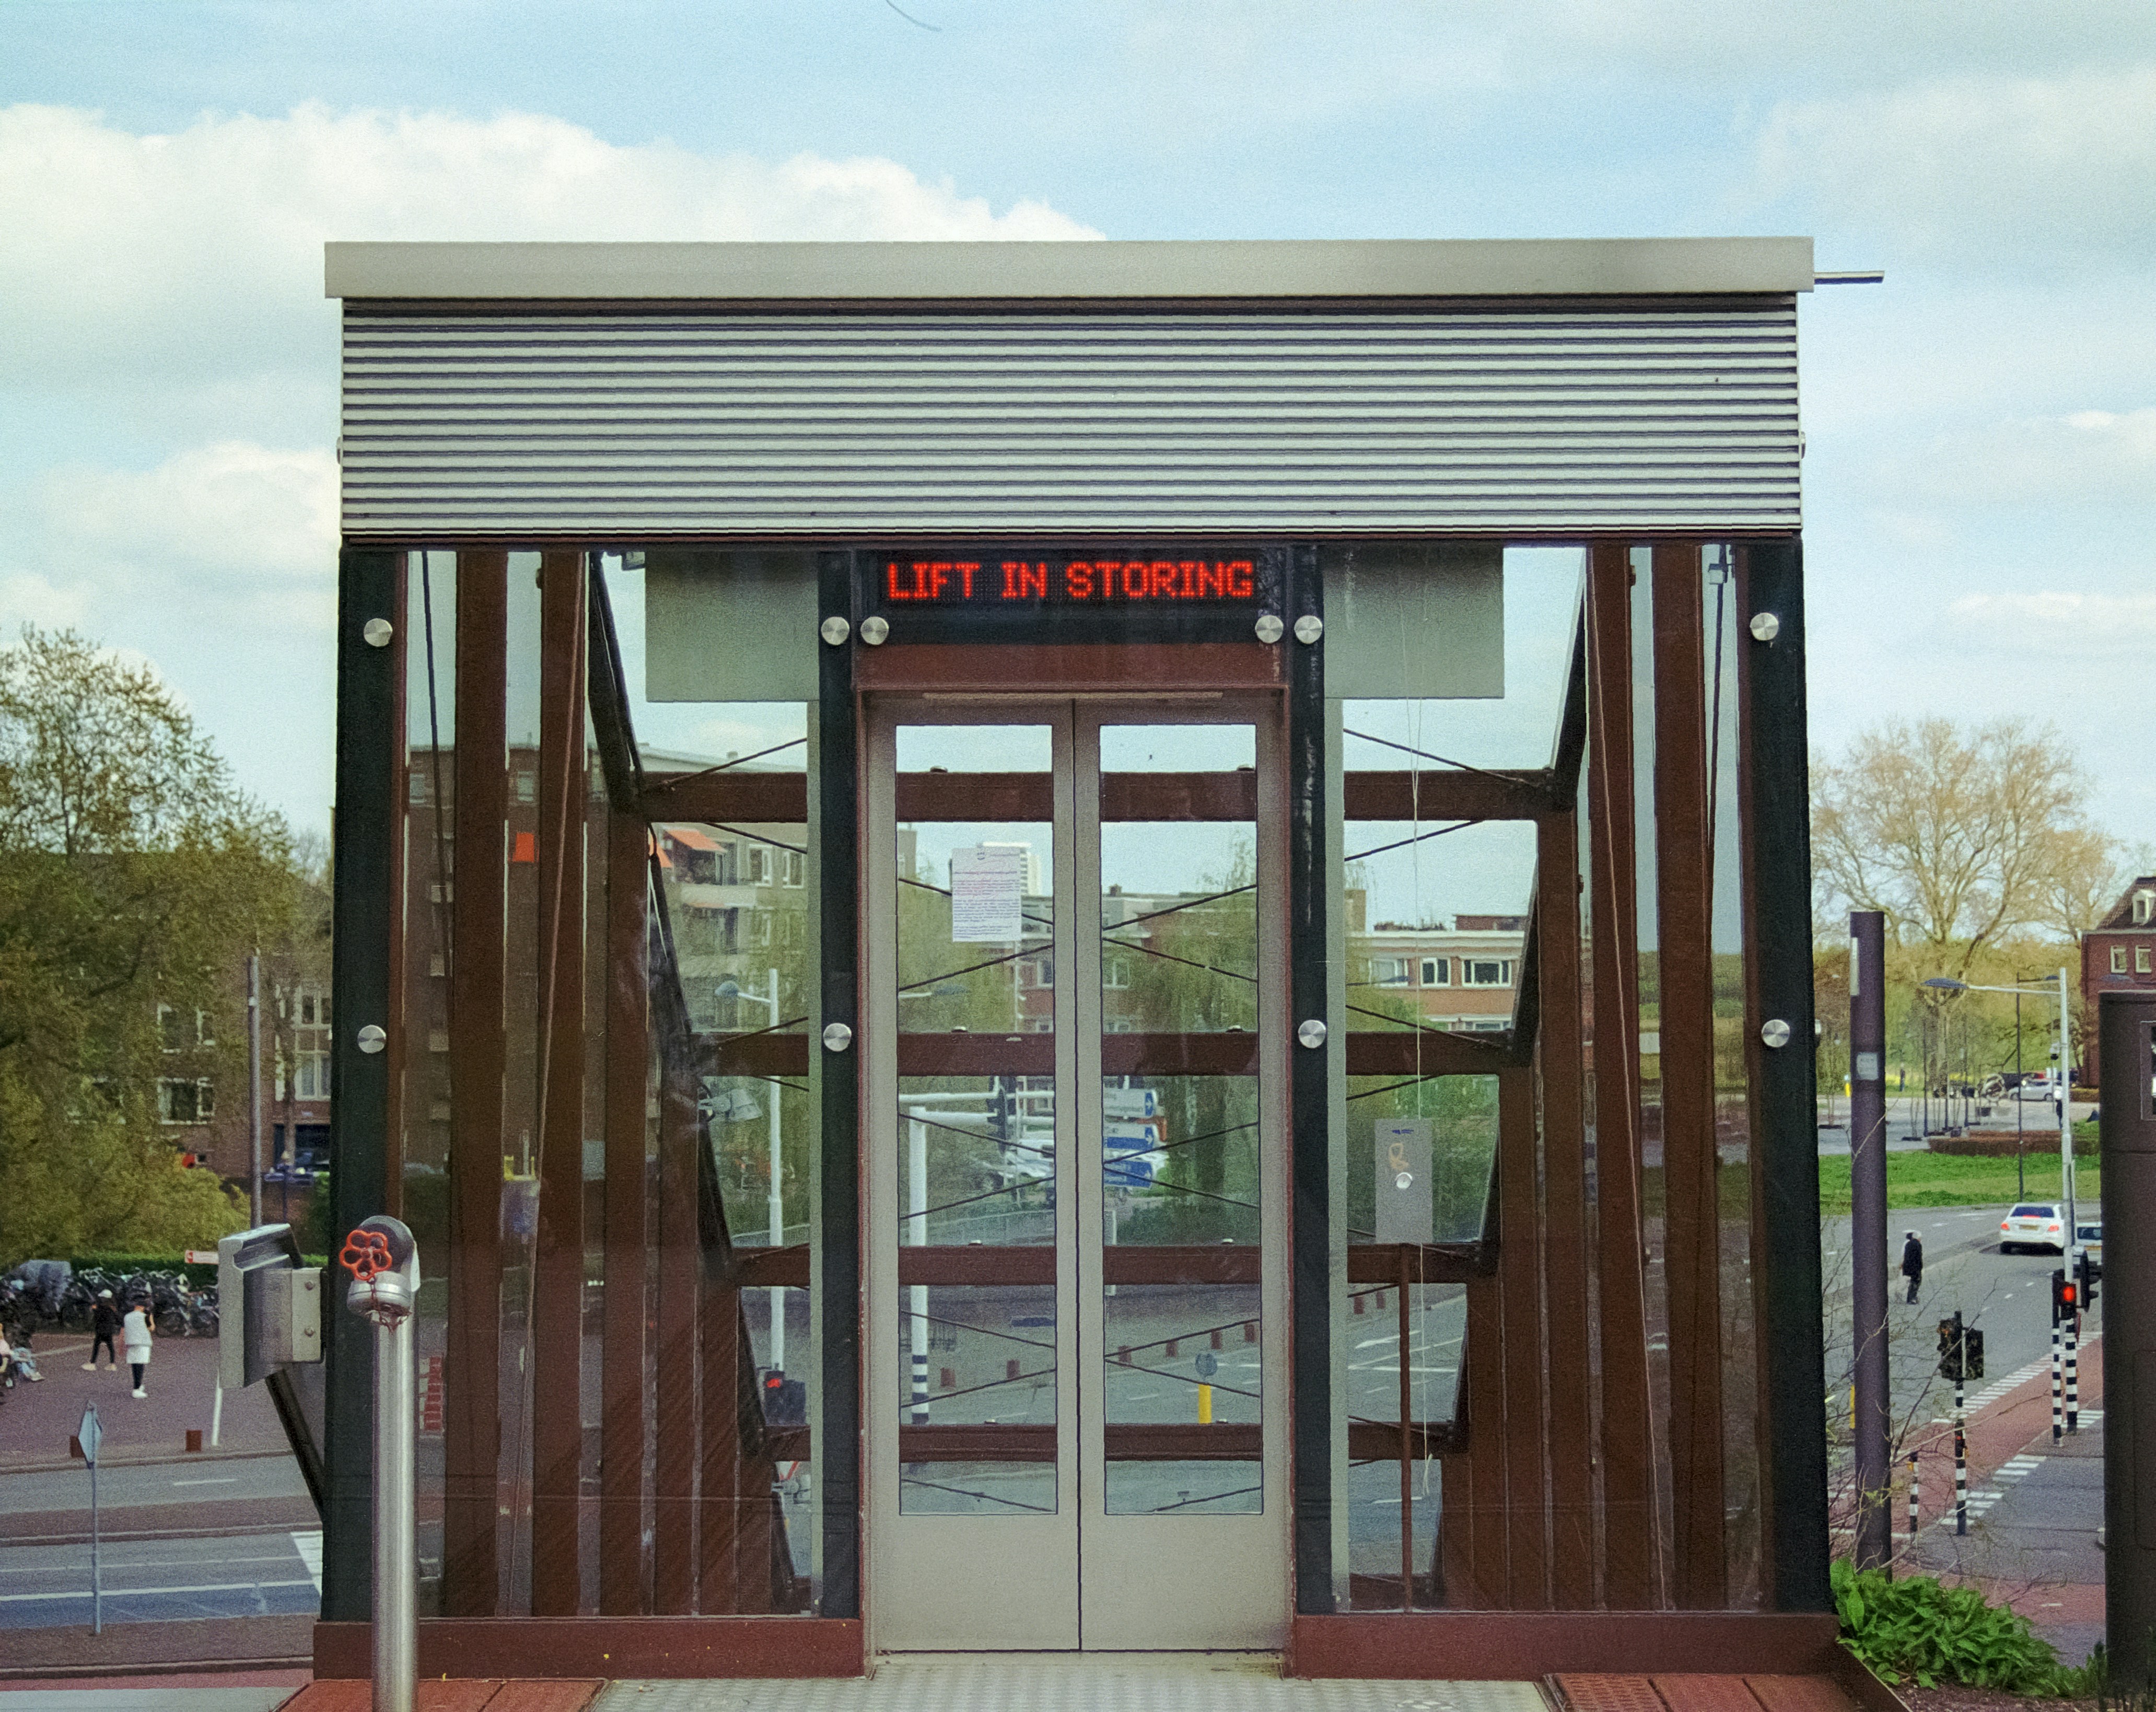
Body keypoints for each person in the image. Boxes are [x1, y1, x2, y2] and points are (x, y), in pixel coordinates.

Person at [121, 1296, 154, 1399]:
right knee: (140, 1366)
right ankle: (137, 1389)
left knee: (135, 1365)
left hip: (131, 1343)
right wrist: (151, 1319)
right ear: (142, 1307)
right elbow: (151, 1328)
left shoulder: (127, 1316)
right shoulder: (145, 1316)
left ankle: (138, 1385)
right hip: (143, 1343)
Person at [85, 1290, 120, 1371]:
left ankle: (92, 1363)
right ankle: (112, 1364)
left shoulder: (100, 1308)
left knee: (96, 1346)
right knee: (111, 1347)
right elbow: (118, 1319)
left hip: (100, 1330)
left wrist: (94, 1310)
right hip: (109, 1330)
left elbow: (98, 1317)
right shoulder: (112, 1308)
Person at [1902, 1230, 1925, 1304]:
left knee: (1913, 1282)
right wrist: (1920, 1267)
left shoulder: (1908, 1244)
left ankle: (1910, 1298)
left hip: (1908, 1266)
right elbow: (1918, 1257)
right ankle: (1912, 1298)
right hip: (1915, 1267)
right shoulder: (1917, 1244)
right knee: (1916, 1282)